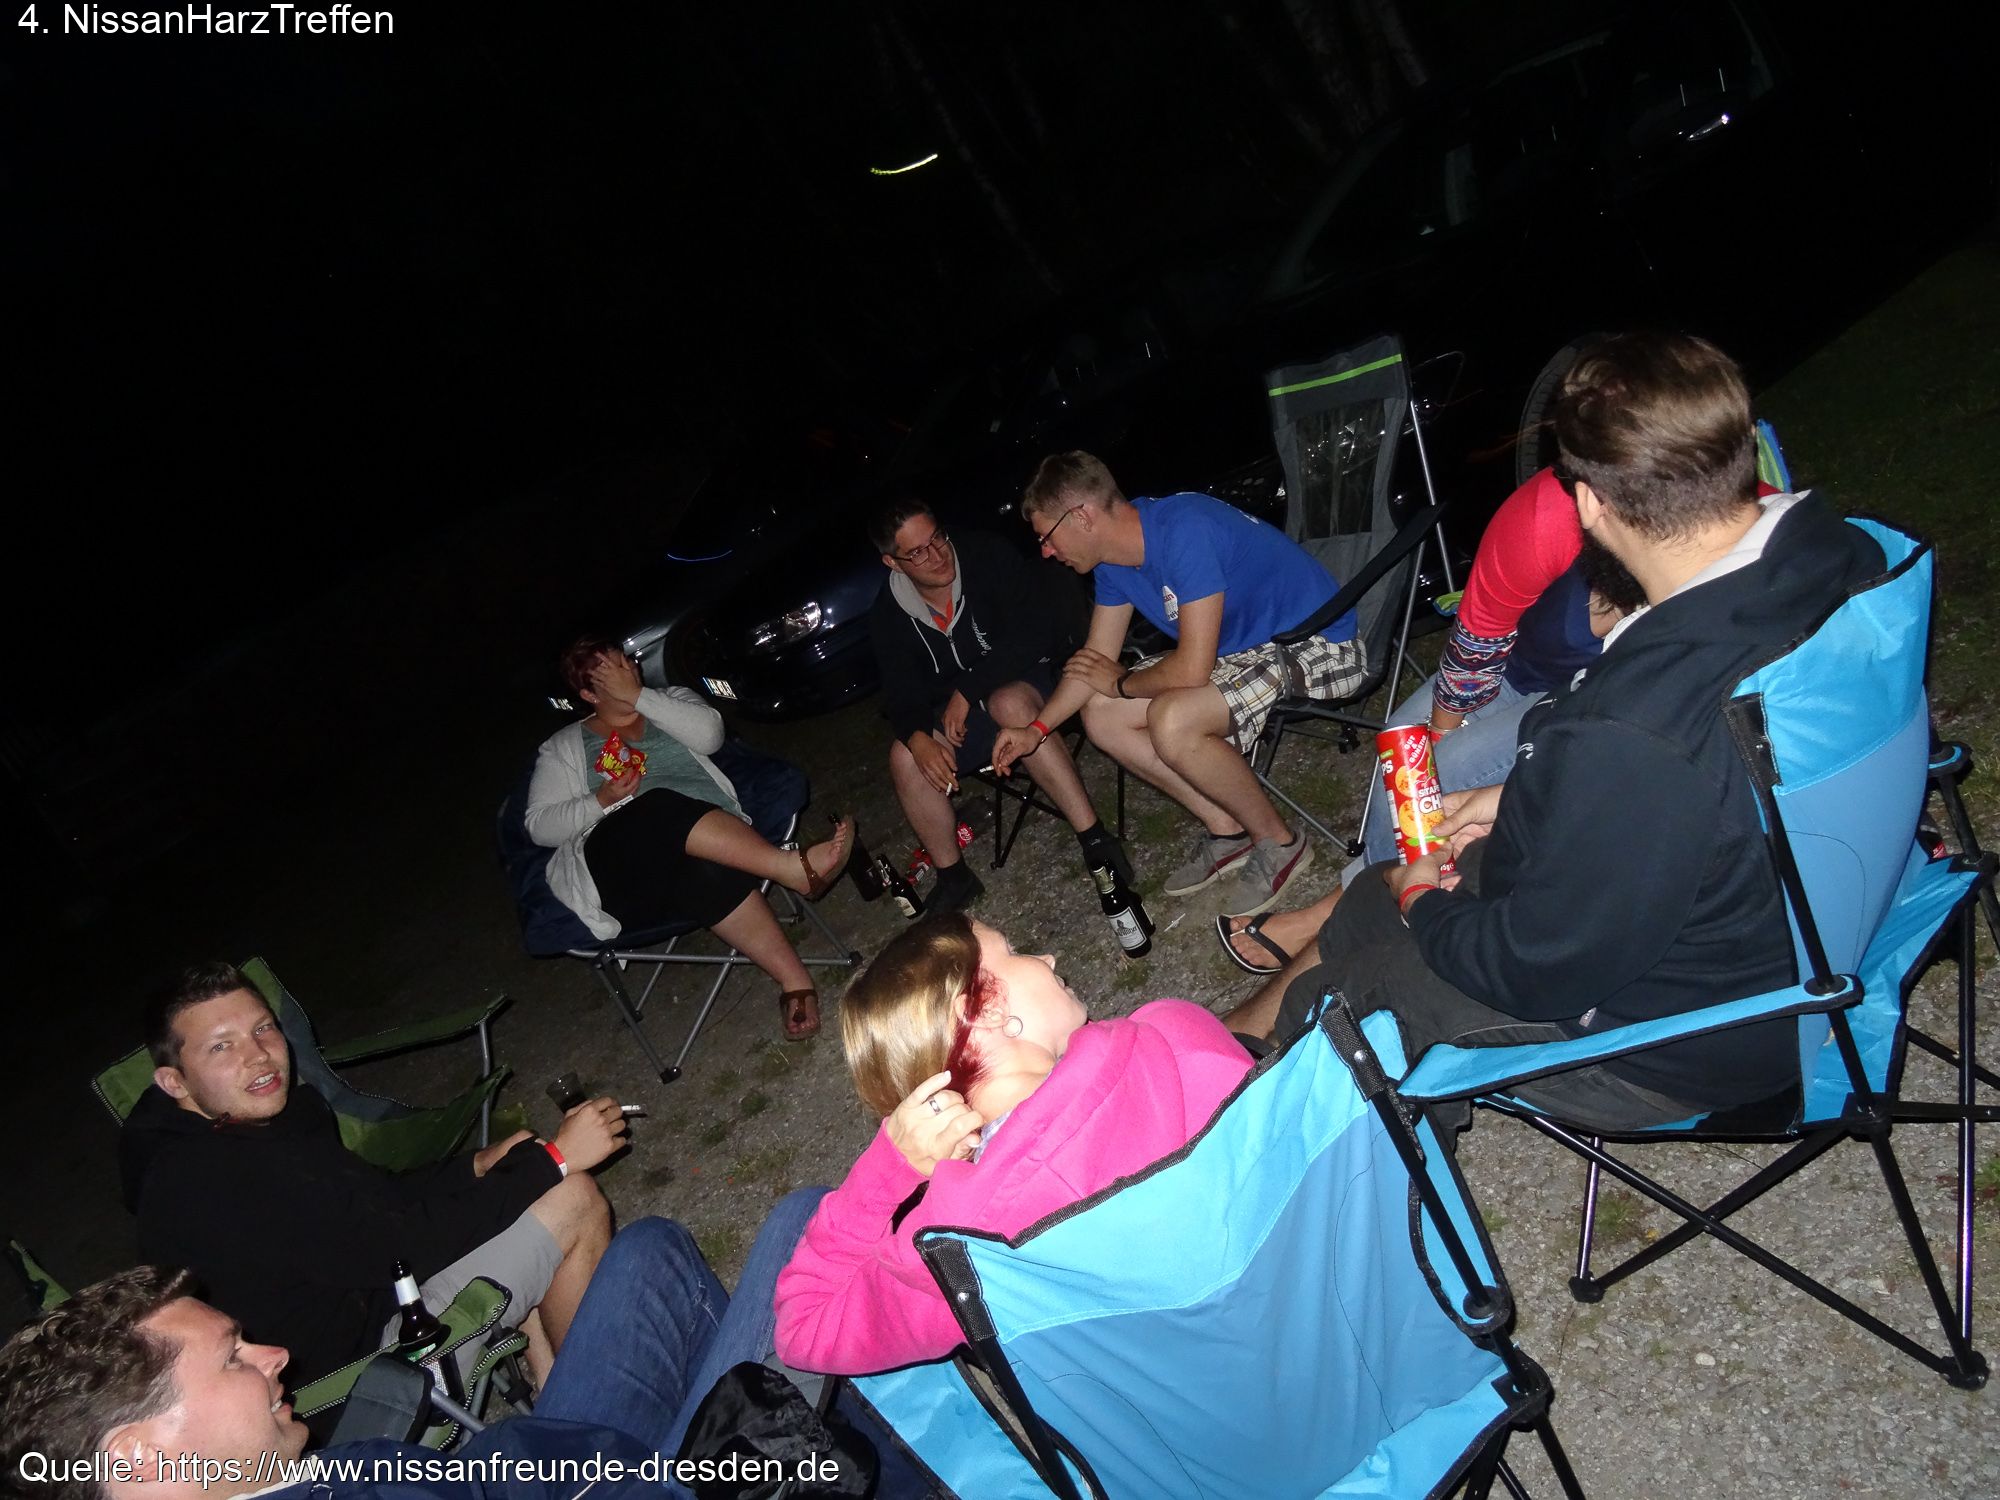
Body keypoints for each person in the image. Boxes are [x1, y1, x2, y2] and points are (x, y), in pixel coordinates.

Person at [1262, 331, 1887, 1130]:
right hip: (1800, 913)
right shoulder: (1845, 555)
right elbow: (1698, 779)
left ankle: (1248, 1138)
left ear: (1589, 503)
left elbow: (1531, 970)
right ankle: (1233, 1047)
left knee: (1340, 1004)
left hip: (1686, 1040)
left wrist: (1424, 902)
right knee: (1367, 906)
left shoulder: (1634, 720)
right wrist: (1510, 798)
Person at [0, 1197, 911, 1500]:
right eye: (234, 1358)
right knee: (807, 1234)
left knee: (647, 1254)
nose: (275, 1357)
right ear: (142, 1454)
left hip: (539, 1462)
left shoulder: (260, 1479)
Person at [772, 913, 1253, 1374]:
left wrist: (889, 1168)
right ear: (984, 1012)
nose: (1048, 958)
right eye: (1015, 951)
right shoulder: (1174, 1033)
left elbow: (801, 1329)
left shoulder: (957, 1248)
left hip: (1198, 1405)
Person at [119, 963, 626, 1399]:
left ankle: (559, 1397)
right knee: (570, 1197)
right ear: (174, 1082)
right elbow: (398, 1247)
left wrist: (477, 1165)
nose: (257, 1055)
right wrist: (552, 1162)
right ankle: (602, 1404)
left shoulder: (256, 1120)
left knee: (508, 1191)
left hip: (373, 1294)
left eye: (263, 1028)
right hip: (352, 1379)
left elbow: (375, 1199)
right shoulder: (202, 1181)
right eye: (221, 1047)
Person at [1216, 477, 1647, 982]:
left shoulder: (1695, 549)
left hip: (1584, 701)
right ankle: (1382, 891)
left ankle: (1338, 919)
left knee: (1444, 770)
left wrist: (1438, 762)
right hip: (1511, 668)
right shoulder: (1550, 515)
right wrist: (1436, 738)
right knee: (1405, 745)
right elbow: (1478, 645)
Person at [994, 452, 1368, 918]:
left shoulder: (1184, 530)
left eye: (1047, 537)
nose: (1046, 552)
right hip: (1247, 651)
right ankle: (1228, 828)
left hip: (1317, 646)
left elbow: (1188, 669)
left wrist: (1124, 683)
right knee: (1102, 715)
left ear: (1082, 516)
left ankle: (1280, 843)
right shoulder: (1112, 564)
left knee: (1171, 719)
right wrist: (1036, 729)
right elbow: (1095, 664)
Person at [527, 636, 854, 1040]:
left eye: (625, 661)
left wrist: (639, 697)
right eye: (612, 672)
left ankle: (795, 983)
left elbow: (710, 736)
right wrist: (601, 799)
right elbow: (539, 827)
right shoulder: (563, 747)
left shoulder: (671, 700)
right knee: (654, 802)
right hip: (623, 873)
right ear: (589, 694)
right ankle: (787, 867)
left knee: (702, 869)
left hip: (712, 847)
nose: (629, 670)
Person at [868, 496, 1131, 914]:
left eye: (937, 538)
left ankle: (1095, 839)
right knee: (905, 756)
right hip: (967, 715)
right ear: (893, 563)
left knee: (1008, 703)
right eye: (917, 552)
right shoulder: (888, 613)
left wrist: (967, 690)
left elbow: (1033, 633)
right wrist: (917, 737)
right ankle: (954, 877)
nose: (936, 555)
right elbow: (901, 693)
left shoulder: (984, 555)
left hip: (1035, 679)